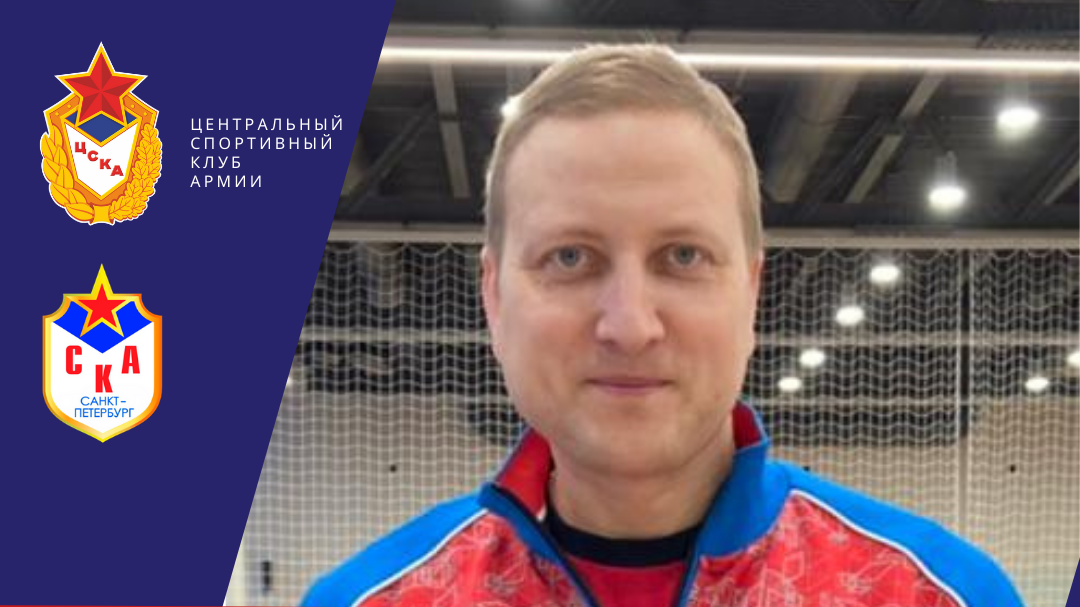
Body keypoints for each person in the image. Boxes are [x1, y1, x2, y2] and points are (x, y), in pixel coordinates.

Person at [303, 44, 1023, 607]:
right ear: (493, 295)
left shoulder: (938, 593)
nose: (630, 325)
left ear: (751, 292)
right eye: (570, 257)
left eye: (682, 256)